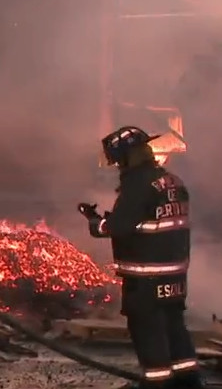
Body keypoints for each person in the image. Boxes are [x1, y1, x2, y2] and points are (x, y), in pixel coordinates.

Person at [78, 126, 202, 389]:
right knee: (175, 330)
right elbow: (149, 221)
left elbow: (117, 227)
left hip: (146, 281)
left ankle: (156, 384)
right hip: (175, 276)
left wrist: (94, 221)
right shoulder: (172, 181)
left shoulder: (137, 185)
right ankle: (189, 383)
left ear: (124, 158)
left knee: (149, 335)